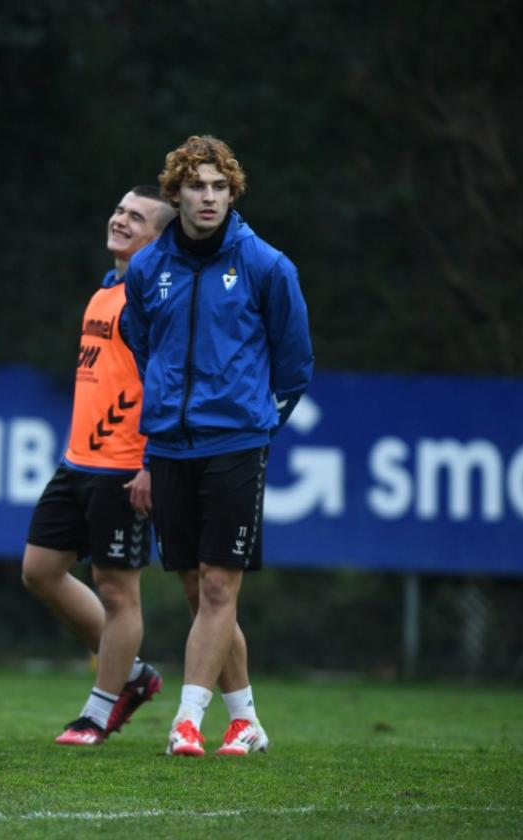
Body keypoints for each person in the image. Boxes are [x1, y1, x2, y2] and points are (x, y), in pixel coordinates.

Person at [122, 135, 313, 757]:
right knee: (194, 589)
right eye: (196, 187)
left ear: (233, 193)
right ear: (174, 194)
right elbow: (143, 342)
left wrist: (255, 425)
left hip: (236, 444)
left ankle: (186, 719)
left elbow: (295, 366)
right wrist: (164, 417)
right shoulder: (150, 267)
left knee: (217, 590)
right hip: (172, 448)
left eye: (219, 187)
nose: (208, 198)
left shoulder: (266, 266)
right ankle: (245, 720)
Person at [21, 186, 176, 746]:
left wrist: (152, 462)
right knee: (39, 570)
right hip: (77, 462)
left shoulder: (156, 299)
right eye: (118, 210)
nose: (120, 220)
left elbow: (171, 383)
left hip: (126, 466)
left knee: (117, 591)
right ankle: (134, 675)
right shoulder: (105, 292)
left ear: (159, 239)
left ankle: (98, 710)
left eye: (136, 217)